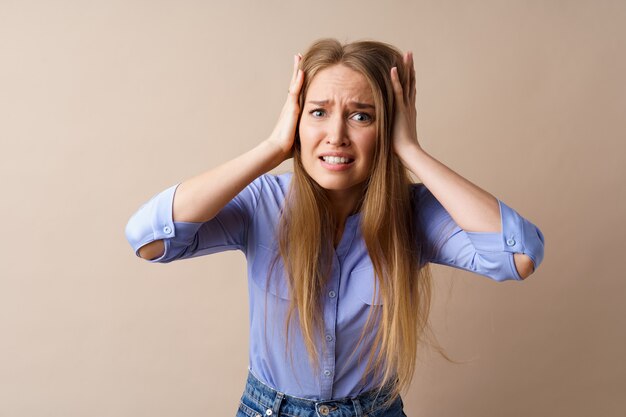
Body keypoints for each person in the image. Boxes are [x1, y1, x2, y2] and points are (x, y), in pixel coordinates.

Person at [125, 38, 545, 417]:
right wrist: (271, 148)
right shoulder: (263, 202)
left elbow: (518, 256)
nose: (336, 135)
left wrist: (411, 151)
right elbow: (148, 239)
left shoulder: (412, 213)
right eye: (319, 112)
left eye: (361, 116)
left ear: (388, 127)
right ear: (296, 121)